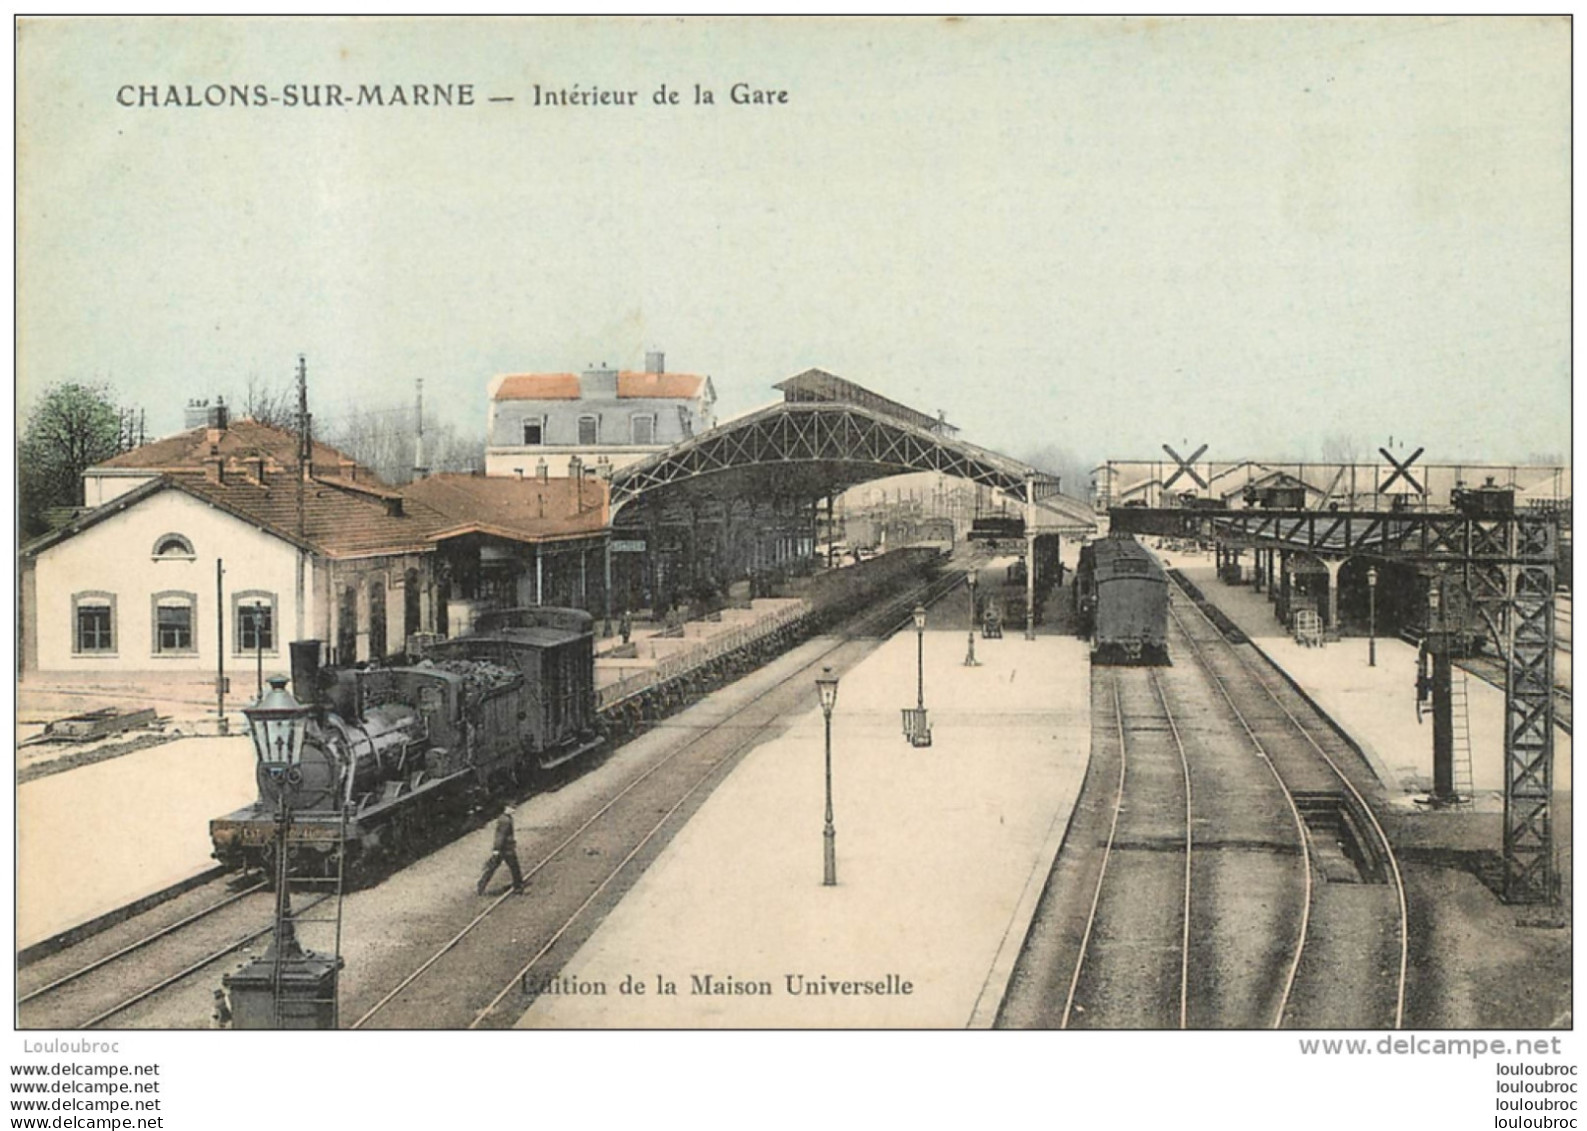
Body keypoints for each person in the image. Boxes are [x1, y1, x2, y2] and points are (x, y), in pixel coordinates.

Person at [477, 804, 524, 895]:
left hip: (503, 848)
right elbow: (500, 835)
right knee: (514, 867)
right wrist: (497, 848)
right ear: (506, 808)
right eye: (512, 808)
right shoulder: (505, 820)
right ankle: (518, 887)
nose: (514, 810)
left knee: (493, 867)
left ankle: (481, 885)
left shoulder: (504, 818)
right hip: (506, 848)